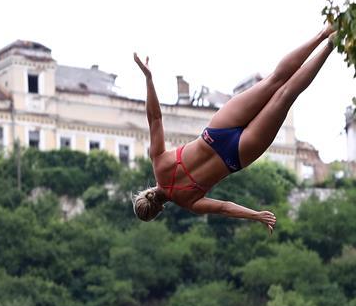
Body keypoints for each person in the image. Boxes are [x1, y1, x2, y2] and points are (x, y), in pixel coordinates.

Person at [133, 23, 336, 233]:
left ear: (159, 210)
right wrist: (149, 79)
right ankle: (324, 33)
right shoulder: (158, 162)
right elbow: (155, 119)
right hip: (215, 133)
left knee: (286, 95)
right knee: (274, 80)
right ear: (144, 192)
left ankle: (330, 45)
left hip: (236, 155)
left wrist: (256, 215)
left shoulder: (189, 202)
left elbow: (224, 207)